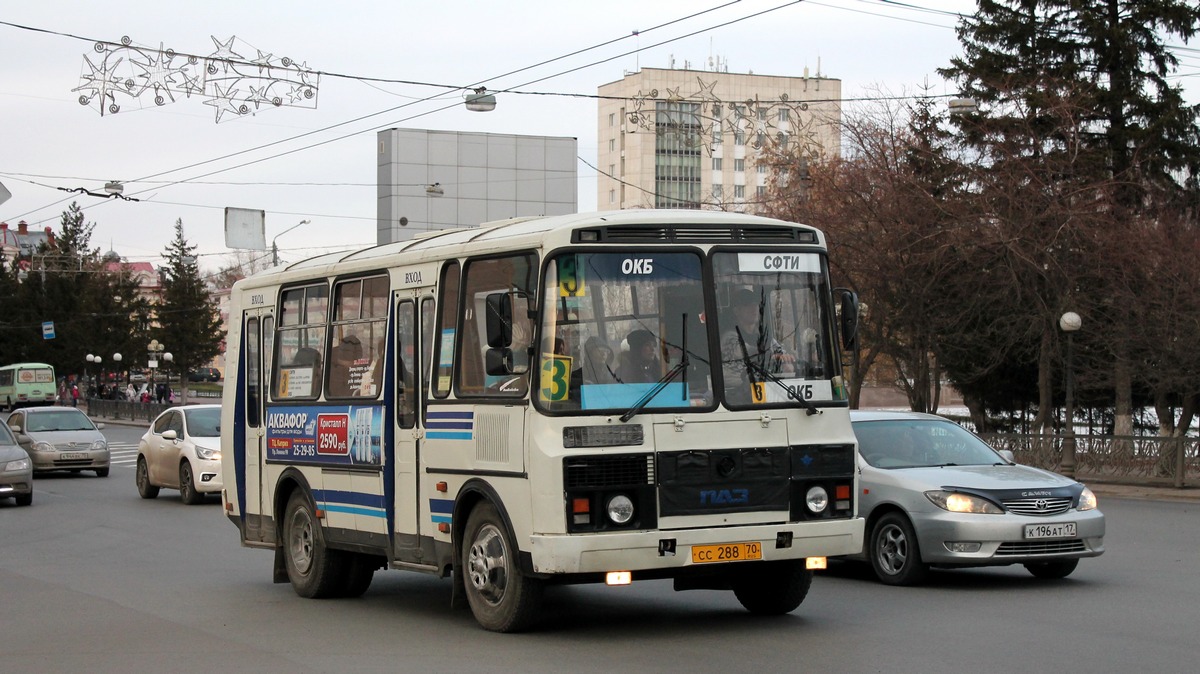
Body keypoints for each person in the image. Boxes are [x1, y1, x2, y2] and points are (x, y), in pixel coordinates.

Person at [721, 287, 795, 404]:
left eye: (755, 304)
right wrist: (773, 356)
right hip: (734, 395)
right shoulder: (729, 337)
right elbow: (747, 351)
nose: (754, 308)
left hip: (761, 388)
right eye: (747, 305)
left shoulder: (764, 336)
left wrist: (787, 361)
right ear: (736, 311)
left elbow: (781, 353)